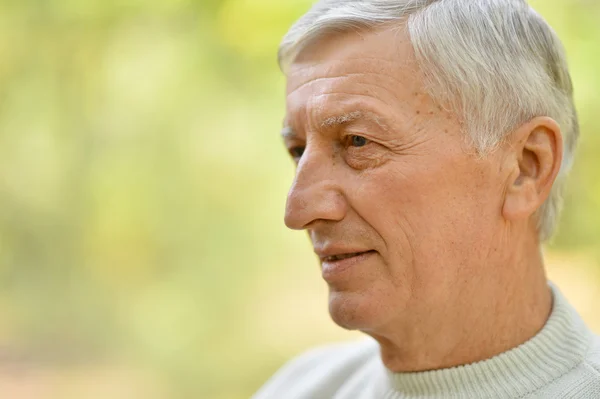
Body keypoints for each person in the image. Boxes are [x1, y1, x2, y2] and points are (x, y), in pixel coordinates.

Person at [253, 0, 600, 398]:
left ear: (525, 167)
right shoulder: (300, 388)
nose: (298, 210)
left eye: (358, 142)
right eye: (298, 151)